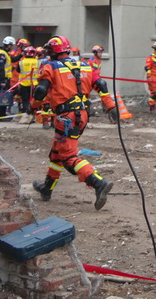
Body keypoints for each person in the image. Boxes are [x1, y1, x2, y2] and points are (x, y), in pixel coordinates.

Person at [30, 35, 118, 209]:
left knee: (68, 156)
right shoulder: (84, 65)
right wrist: (110, 106)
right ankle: (47, 188)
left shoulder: (51, 67)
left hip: (66, 117)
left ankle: (98, 182)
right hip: (82, 114)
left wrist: (33, 107)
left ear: (53, 52)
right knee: (57, 152)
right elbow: (101, 84)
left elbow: (40, 91)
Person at [0, 36, 16, 122]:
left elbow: (13, 60)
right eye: (12, 45)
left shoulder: (5, 53)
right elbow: (1, 68)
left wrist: (22, 55)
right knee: (2, 97)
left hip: (6, 78)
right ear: (8, 45)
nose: (13, 46)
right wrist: (2, 81)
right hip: (3, 78)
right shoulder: (2, 54)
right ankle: (0, 115)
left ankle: (2, 114)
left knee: (4, 97)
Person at [16, 46, 39, 122]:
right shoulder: (38, 62)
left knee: (25, 101)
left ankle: (26, 117)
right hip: (34, 84)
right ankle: (34, 116)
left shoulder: (21, 62)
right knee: (34, 101)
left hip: (24, 84)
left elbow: (18, 70)